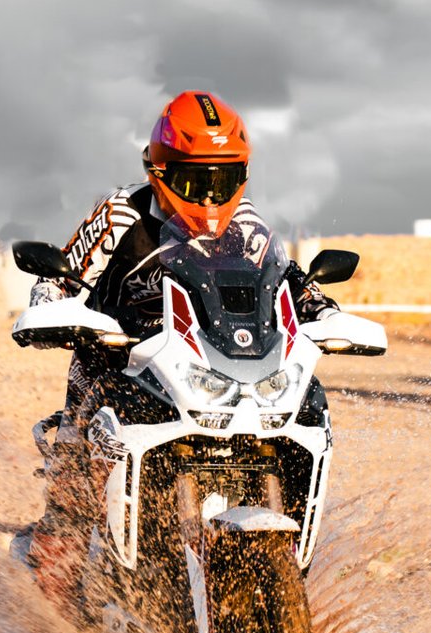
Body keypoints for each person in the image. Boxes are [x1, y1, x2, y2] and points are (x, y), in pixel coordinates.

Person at [20, 90, 332, 598]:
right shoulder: (122, 213)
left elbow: (290, 279)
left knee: (304, 405)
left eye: (223, 180)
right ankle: (48, 628)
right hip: (115, 361)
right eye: (194, 180)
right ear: (159, 174)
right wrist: (49, 307)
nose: (210, 198)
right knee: (73, 491)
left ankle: (282, 573)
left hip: (207, 364)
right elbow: (62, 274)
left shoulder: (247, 223)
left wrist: (323, 307)